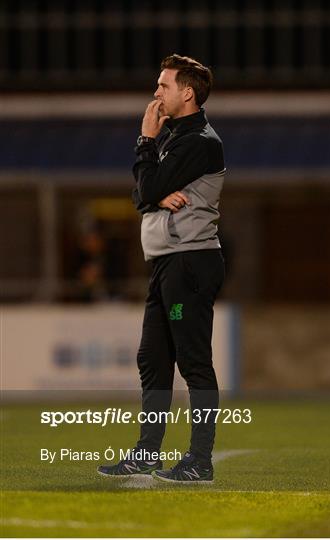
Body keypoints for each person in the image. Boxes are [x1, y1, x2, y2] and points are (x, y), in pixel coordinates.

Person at [98, 54, 225, 483]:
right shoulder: (175, 138)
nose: (156, 92)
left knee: (193, 361)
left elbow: (147, 186)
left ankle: (200, 461)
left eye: (163, 85)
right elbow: (141, 195)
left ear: (187, 92)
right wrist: (154, 190)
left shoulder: (198, 141)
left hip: (189, 262)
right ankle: (147, 453)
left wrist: (144, 141)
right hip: (167, 263)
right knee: (152, 359)